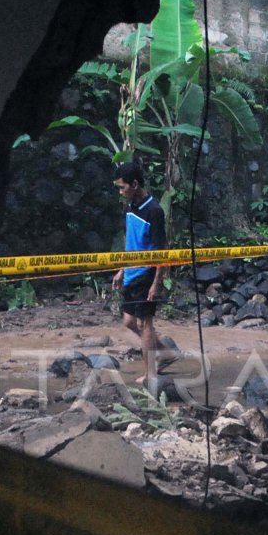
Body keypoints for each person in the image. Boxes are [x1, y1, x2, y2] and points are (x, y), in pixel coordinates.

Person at [109, 162, 177, 384]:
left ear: (135, 184)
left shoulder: (154, 211)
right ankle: (165, 352)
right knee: (129, 321)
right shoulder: (130, 207)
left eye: (122, 187)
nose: (120, 192)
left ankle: (150, 375)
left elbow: (162, 250)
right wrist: (121, 269)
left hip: (147, 273)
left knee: (144, 324)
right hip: (131, 271)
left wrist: (157, 282)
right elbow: (131, 242)